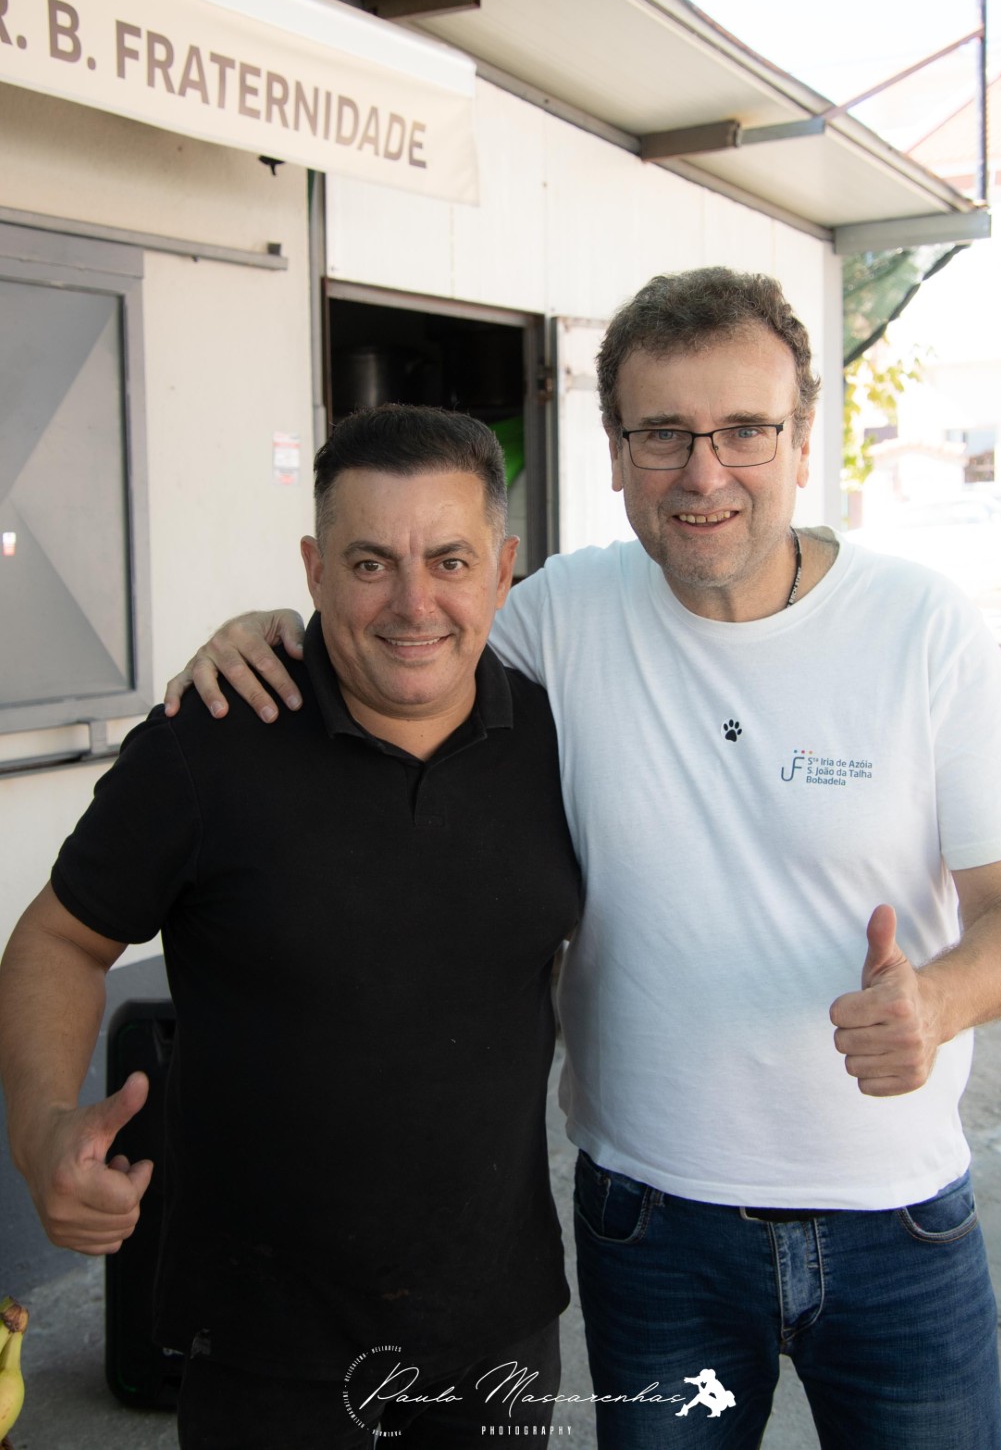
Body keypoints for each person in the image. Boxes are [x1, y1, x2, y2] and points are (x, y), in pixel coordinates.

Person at [163, 267, 1001, 1450]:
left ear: (802, 440)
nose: (704, 473)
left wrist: (937, 1002)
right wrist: (268, 630)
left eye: (744, 430)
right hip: (655, 1227)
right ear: (617, 453)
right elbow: (408, 622)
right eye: (663, 434)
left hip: (897, 1219)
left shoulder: (922, 628)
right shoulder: (562, 616)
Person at [0, 406, 583, 1449]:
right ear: (314, 571)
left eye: (449, 561)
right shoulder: (210, 741)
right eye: (370, 563)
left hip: (495, 1333)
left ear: (502, 572)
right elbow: (60, 940)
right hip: (264, 1350)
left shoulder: (562, 743)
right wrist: (41, 1128)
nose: (413, 603)